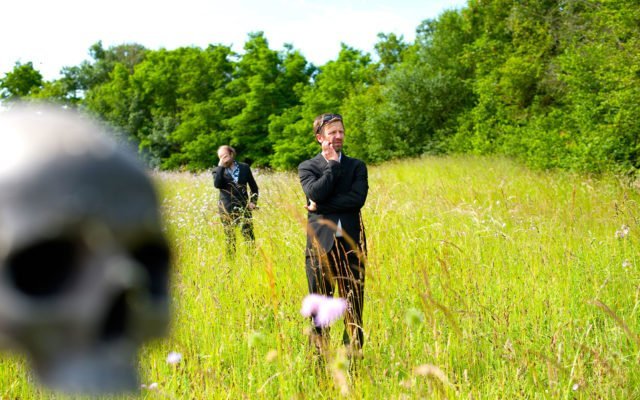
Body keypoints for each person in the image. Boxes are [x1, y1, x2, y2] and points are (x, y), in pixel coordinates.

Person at [298, 113, 369, 355]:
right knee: (319, 312)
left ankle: (353, 361)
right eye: (332, 133)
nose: (338, 136)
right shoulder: (308, 167)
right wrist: (332, 166)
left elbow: (357, 200)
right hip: (320, 249)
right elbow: (315, 192)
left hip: (350, 248)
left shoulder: (357, 166)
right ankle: (320, 361)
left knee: (354, 307)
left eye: (341, 132)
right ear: (320, 138)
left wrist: (322, 206)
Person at [213, 145, 259, 256]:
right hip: (226, 209)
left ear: (232, 154)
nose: (223, 159)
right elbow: (217, 184)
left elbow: (254, 187)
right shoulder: (217, 170)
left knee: (248, 236)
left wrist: (253, 202)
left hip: (244, 208)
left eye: (225, 156)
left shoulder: (244, 167)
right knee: (230, 238)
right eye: (220, 157)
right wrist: (220, 167)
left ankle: (252, 261)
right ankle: (231, 264)